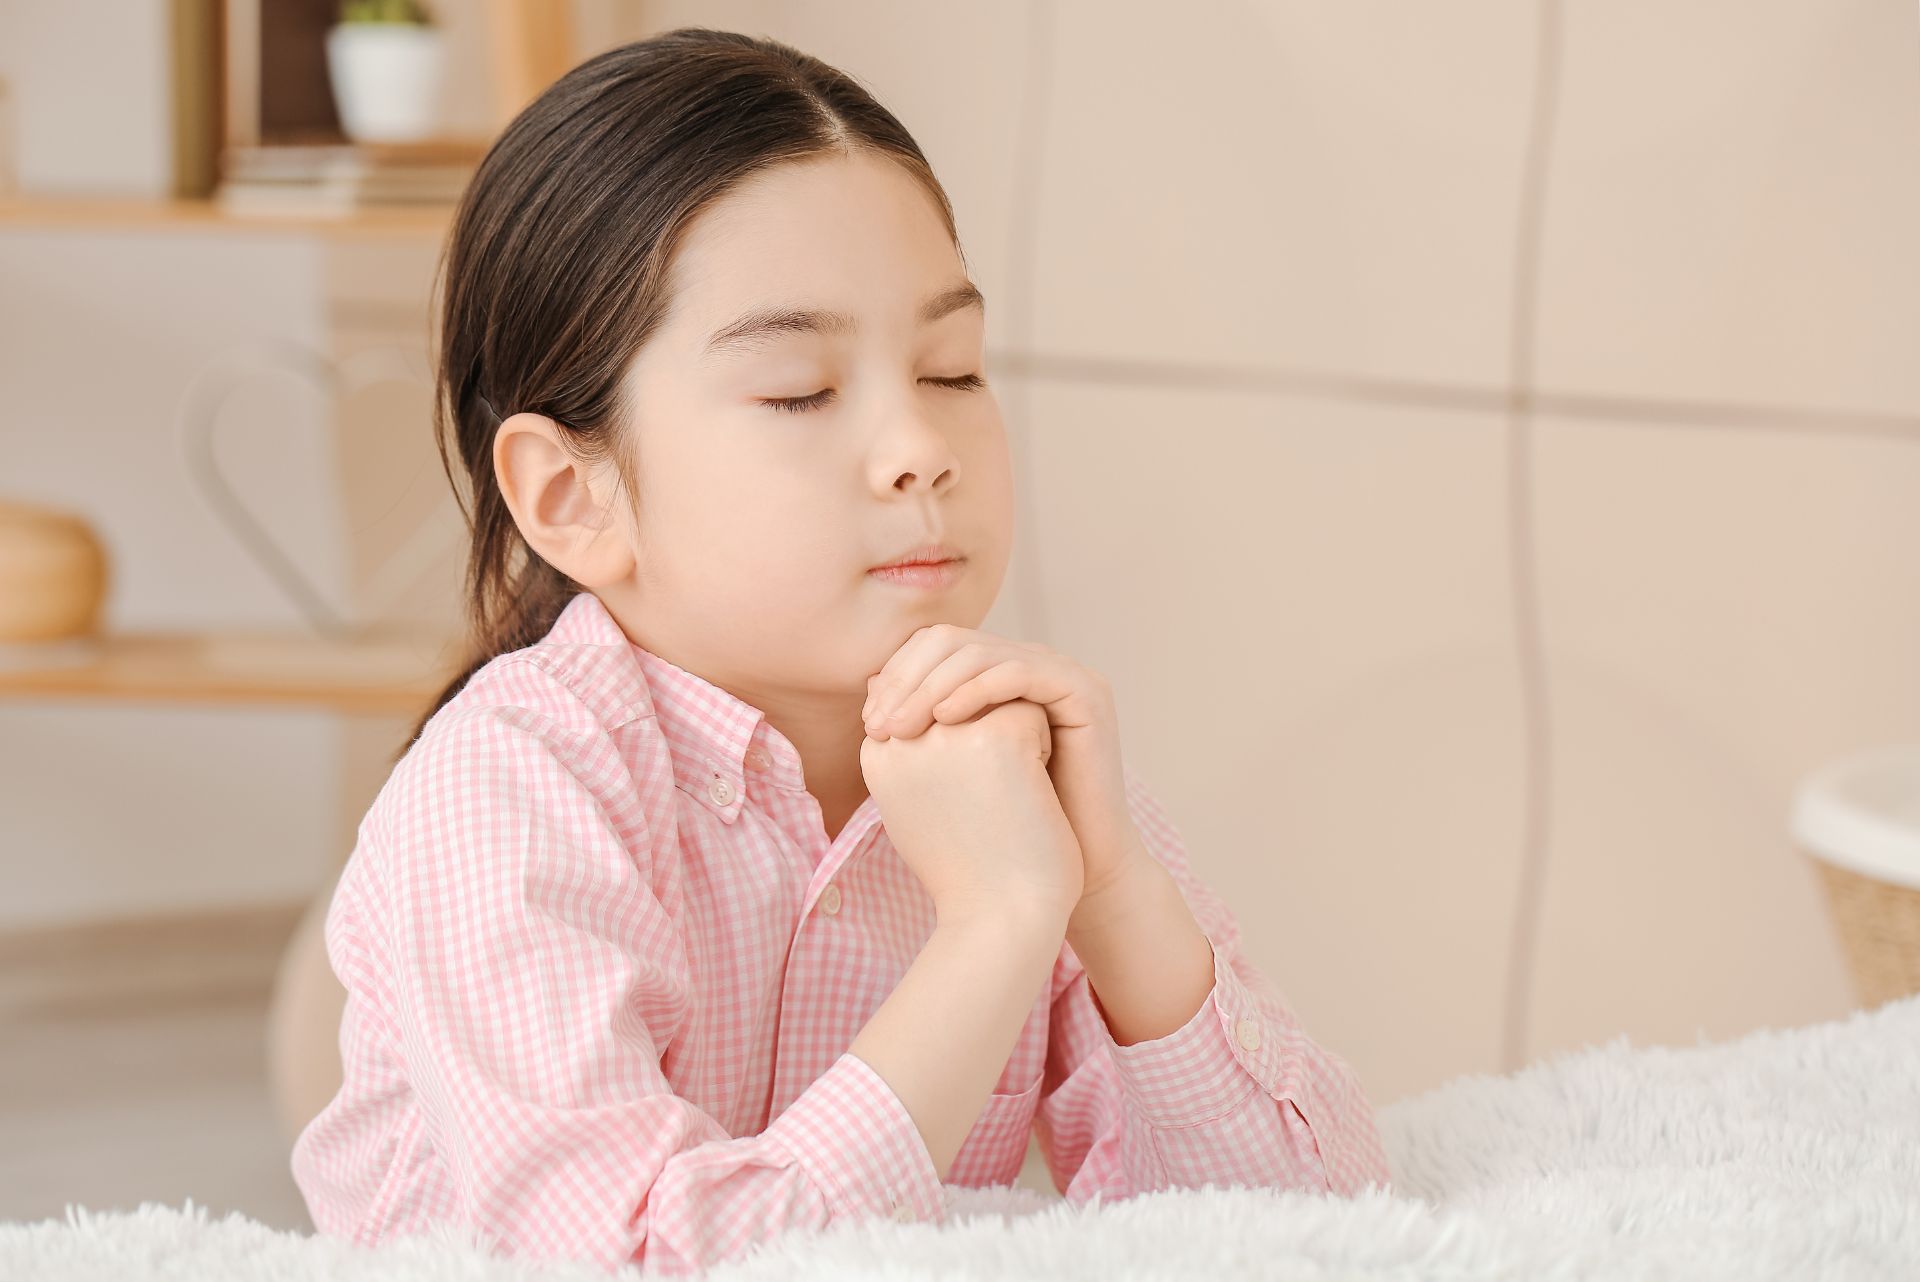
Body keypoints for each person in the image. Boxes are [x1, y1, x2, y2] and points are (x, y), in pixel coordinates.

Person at [289, 26, 1392, 1276]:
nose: (920, 443)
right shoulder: (503, 794)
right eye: (802, 390)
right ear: (568, 496)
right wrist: (993, 925)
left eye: (951, 368)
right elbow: (637, 1260)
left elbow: (1324, 1231)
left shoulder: (1010, 772)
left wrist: (1109, 883)